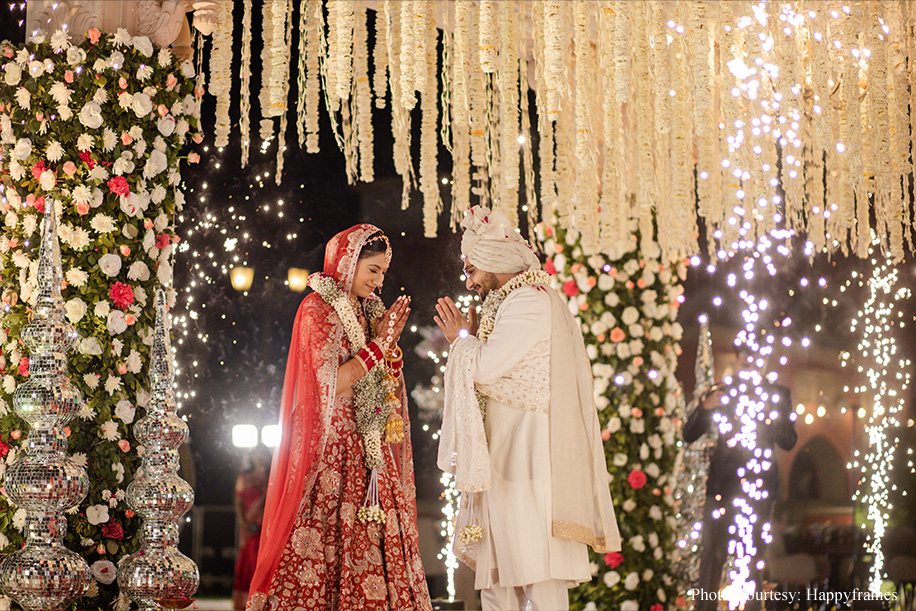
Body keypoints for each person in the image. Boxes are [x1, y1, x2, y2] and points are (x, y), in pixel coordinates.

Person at [433, 206, 621, 611]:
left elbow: (484, 368)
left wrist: (459, 341)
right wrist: (472, 337)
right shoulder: (514, 302)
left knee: (537, 576)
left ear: (493, 262)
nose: (470, 282)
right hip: (510, 456)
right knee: (500, 579)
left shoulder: (529, 303)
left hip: (529, 457)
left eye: (472, 271)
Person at [247, 224, 432, 611]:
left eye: (383, 272)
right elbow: (337, 383)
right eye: (373, 270)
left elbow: (376, 383)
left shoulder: (368, 313)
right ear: (347, 263)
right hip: (329, 452)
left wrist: (386, 350)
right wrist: (382, 344)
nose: (379, 282)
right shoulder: (318, 309)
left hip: (371, 453)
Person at [683, 344, 797, 611]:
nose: (750, 360)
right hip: (722, 487)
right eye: (745, 354)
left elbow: (789, 441)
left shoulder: (779, 394)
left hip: (760, 488)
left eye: (757, 355)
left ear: (766, 359)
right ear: (736, 357)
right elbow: (688, 435)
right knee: (712, 554)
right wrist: (705, 407)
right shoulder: (723, 390)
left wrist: (773, 414)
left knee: (753, 559)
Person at [232, 446, 271, 610]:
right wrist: (244, 524)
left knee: (265, 562)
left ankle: (265, 600)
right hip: (250, 528)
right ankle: (245, 603)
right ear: (252, 456)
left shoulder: (273, 476)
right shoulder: (245, 477)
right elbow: (238, 503)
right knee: (248, 563)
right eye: (257, 453)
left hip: (268, 527)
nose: (260, 457)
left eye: (264, 453)